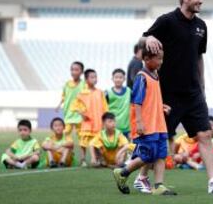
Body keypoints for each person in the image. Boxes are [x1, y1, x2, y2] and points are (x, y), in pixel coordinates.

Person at [139, 0, 213, 194]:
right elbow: (143, 38)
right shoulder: (167, 20)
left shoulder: (202, 26)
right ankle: (140, 177)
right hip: (168, 93)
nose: (201, 1)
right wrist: (150, 37)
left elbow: (199, 57)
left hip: (194, 93)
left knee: (204, 134)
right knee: (159, 139)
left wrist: (202, 86)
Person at [113, 48, 176, 196]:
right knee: (148, 155)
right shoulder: (142, 77)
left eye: (162, 58)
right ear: (147, 59)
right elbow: (137, 101)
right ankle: (122, 172)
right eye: (158, 59)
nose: (161, 62)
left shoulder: (155, 75)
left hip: (158, 123)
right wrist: (139, 122)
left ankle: (159, 185)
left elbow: (150, 99)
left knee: (161, 154)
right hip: (147, 125)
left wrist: (161, 107)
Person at [71, 69, 108, 167]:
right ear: (86, 79)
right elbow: (74, 105)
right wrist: (81, 112)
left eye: (95, 77)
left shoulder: (100, 92)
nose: (94, 79)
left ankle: (99, 158)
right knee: (84, 141)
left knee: (98, 141)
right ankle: (83, 159)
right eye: (92, 77)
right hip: (87, 122)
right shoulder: (82, 93)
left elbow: (105, 107)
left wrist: (105, 119)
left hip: (98, 122)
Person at [56, 61, 85, 137]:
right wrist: (59, 105)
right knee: (66, 132)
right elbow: (64, 96)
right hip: (68, 112)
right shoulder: (67, 84)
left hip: (79, 113)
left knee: (81, 135)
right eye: (72, 70)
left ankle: (83, 149)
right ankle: (63, 148)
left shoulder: (84, 84)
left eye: (76, 70)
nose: (73, 72)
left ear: (82, 72)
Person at [105, 68, 131, 139]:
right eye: (116, 77)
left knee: (127, 146)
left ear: (124, 79)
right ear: (112, 79)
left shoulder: (129, 91)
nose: (118, 79)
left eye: (120, 77)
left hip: (126, 126)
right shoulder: (107, 93)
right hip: (112, 126)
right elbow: (103, 108)